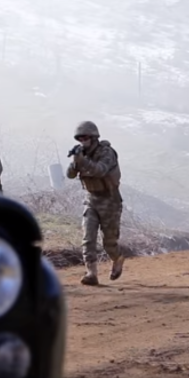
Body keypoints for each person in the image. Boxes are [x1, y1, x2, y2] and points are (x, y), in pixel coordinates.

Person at [66, 120, 125, 286]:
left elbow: (100, 170)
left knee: (109, 243)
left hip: (110, 200)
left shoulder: (107, 152)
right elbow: (70, 174)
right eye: (80, 138)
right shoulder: (81, 153)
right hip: (91, 200)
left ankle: (117, 258)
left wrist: (83, 161)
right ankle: (91, 273)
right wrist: (75, 162)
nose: (82, 141)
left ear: (94, 137)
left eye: (85, 138)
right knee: (88, 238)